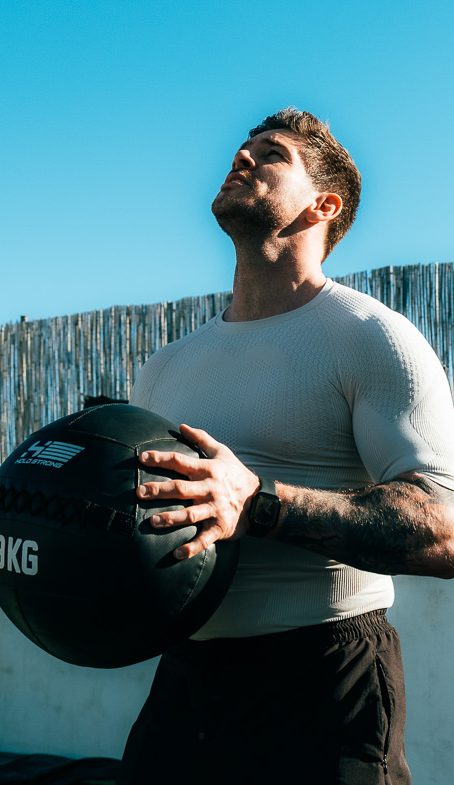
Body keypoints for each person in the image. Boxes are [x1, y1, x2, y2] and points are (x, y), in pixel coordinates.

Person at [118, 108, 454, 785]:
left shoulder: (369, 336)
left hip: (323, 681)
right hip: (183, 683)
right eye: (241, 150)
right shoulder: (166, 365)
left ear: (323, 205)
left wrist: (262, 503)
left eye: (269, 154)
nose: (241, 159)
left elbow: (444, 530)